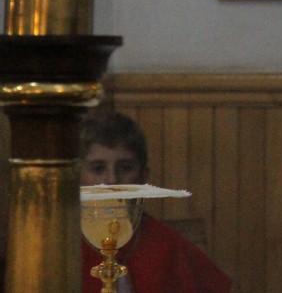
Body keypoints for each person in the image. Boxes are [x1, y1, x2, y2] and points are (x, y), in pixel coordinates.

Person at [79, 110, 232, 293]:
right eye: (98, 168)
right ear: (77, 177)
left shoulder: (167, 245)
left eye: (125, 168)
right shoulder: (61, 243)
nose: (112, 180)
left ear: (143, 177)